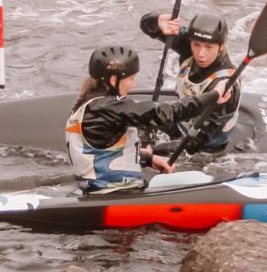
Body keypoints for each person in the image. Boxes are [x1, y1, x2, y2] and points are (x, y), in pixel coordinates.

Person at [66, 45, 230, 193]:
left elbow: (100, 152)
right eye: (131, 79)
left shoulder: (84, 108)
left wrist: (149, 159)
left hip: (99, 192)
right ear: (113, 80)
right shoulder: (109, 108)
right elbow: (166, 113)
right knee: (200, 179)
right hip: (118, 196)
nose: (134, 85)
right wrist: (214, 95)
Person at [138, 11, 242, 162]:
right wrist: (157, 21)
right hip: (182, 122)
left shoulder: (225, 87)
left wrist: (149, 152)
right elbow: (147, 26)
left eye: (209, 47)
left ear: (221, 47)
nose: (201, 54)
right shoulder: (188, 45)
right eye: (196, 45)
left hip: (205, 150)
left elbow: (196, 143)